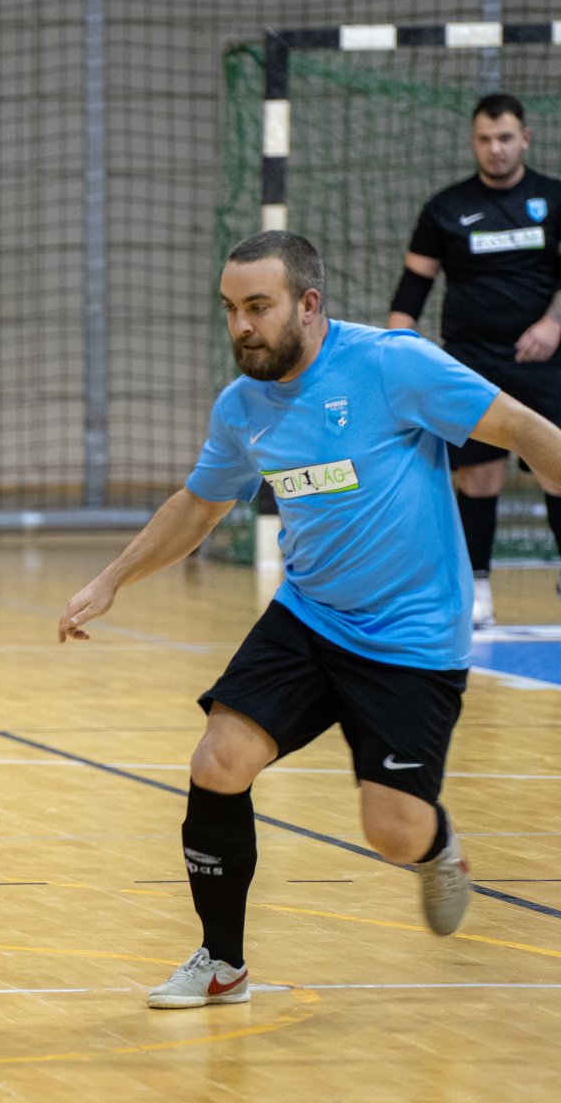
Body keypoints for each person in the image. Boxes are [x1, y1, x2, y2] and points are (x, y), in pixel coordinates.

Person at [61, 231, 561, 1009]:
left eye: (257, 307)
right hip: (310, 615)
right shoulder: (242, 407)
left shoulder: (392, 365)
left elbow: (527, 432)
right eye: (230, 309)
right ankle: (221, 963)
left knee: (392, 831)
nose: (241, 327)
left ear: (309, 304)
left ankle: (438, 848)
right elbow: (201, 502)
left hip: (412, 636)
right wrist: (113, 578)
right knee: (217, 762)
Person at [388, 93, 561, 628]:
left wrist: (554, 323)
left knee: (557, 472)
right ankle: (477, 589)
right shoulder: (445, 207)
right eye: (485, 139)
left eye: (505, 137)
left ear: (525, 139)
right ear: (473, 142)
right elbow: (412, 290)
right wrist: (399, 349)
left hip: (546, 366)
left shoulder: (553, 199)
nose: (495, 149)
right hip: (471, 368)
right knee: (479, 478)